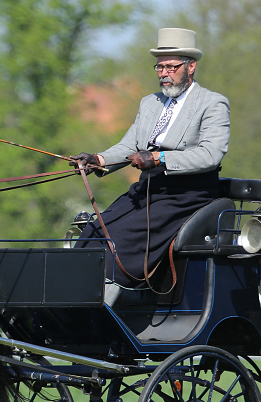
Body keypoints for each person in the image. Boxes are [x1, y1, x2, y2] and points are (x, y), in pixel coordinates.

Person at [70, 28, 230, 287]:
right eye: (159, 67)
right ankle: (74, 298)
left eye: (171, 67)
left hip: (186, 195)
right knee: (92, 232)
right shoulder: (150, 103)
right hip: (147, 189)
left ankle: (107, 301)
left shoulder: (212, 103)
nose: (164, 74)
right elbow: (129, 145)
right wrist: (98, 160)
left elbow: (211, 154)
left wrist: (160, 158)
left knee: (117, 240)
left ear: (191, 67)